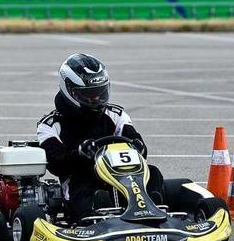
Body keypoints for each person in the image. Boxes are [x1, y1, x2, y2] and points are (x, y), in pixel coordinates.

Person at [37, 53, 163, 221]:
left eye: (100, 92)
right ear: (70, 91)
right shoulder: (50, 125)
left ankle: (154, 208)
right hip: (80, 179)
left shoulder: (116, 115)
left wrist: (139, 147)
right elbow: (56, 164)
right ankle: (99, 213)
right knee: (86, 189)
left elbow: (136, 143)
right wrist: (80, 154)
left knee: (153, 173)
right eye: (88, 94)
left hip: (122, 176)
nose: (96, 99)